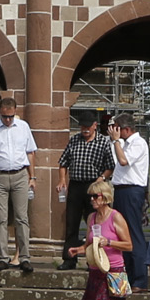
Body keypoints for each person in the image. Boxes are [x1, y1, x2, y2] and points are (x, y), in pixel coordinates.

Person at [69, 179, 131, 300]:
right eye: (91, 196)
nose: (92, 200)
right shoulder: (92, 218)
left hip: (113, 272)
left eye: (96, 196)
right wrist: (79, 250)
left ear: (105, 198)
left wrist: (109, 242)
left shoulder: (116, 217)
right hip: (97, 270)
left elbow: (129, 245)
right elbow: (90, 243)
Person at [0, 92, 36, 272]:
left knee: (22, 218)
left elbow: (30, 152)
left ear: (15, 112)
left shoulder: (23, 127)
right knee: (0, 219)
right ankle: (3, 256)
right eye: (5, 116)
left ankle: (24, 257)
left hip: (20, 174)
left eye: (11, 116)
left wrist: (32, 176)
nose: (8, 120)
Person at [56, 111, 113, 270]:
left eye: (88, 126)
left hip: (93, 186)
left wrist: (101, 178)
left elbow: (110, 166)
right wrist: (62, 180)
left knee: (94, 223)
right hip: (76, 185)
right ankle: (69, 259)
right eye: (82, 126)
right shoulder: (74, 140)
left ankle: (93, 259)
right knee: (71, 223)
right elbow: (63, 162)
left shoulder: (102, 142)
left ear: (95, 126)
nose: (85, 129)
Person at [110, 114, 150, 288]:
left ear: (126, 129)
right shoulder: (122, 144)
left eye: (117, 128)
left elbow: (123, 160)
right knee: (121, 233)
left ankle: (140, 279)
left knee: (133, 233)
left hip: (132, 190)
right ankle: (125, 274)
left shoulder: (138, 143)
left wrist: (116, 142)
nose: (114, 132)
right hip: (120, 190)